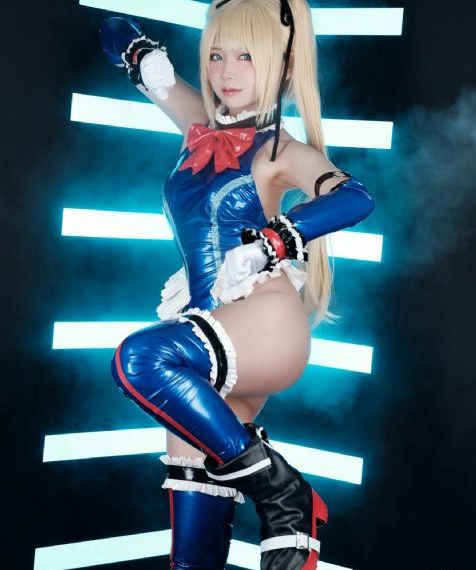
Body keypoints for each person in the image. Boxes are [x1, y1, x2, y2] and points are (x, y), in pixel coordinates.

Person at [99, 1, 375, 568]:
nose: (227, 72)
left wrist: (272, 242)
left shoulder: (280, 150)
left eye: (247, 56)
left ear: (283, 63)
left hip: (264, 323)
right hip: (211, 331)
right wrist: (144, 58)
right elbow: (109, 29)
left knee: (140, 359)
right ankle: (284, 499)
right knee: (193, 540)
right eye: (217, 55)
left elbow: (354, 197)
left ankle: (284, 495)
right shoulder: (198, 125)